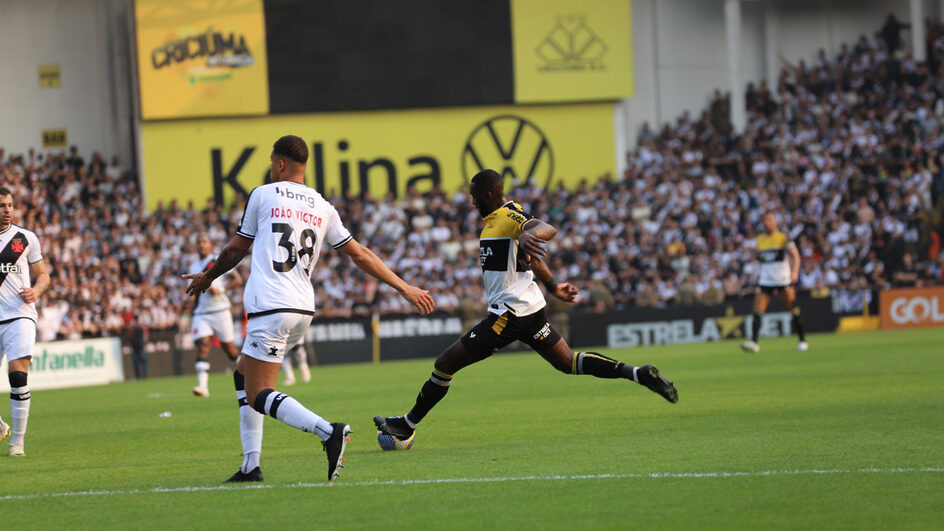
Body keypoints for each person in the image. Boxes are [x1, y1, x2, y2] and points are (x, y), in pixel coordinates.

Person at [183, 135, 434, 483]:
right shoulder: (322, 205)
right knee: (243, 374)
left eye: (272, 162)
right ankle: (250, 466)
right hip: (302, 308)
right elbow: (360, 254)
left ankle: (328, 432)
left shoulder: (263, 194)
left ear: (280, 163)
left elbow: (235, 249)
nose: (271, 168)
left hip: (271, 305)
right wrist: (404, 286)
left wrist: (209, 277)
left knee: (259, 393)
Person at [374, 169, 678, 448]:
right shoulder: (495, 222)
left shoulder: (510, 215)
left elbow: (545, 228)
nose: (471, 199)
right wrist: (553, 285)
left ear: (490, 194)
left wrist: (532, 235)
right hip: (531, 310)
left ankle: (407, 424)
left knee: (444, 364)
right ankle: (638, 374)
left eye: (474, 194)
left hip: (508, 315)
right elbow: (529, 255)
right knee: (568, 362)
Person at [0, 187, 50, 456]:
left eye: (10, 204)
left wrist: (37, 290)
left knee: (18, 374)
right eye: (2, 205)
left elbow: (43, 275)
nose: (8, 209)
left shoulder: (24, 238)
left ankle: (17, 441)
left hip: (19, 314)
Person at [741, 212, 807, 353]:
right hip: (766, 280)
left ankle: (802, 340)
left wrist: (795, 272)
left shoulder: (783, 238)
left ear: (775, 222)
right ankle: (754, 343)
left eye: (770, 220)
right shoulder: (759, 240)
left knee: (793, 309)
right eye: (764, 220)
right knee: (757, 311)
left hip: (782, 279)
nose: (767, 222)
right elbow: (763, 260)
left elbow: (795, 255)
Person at [188, 234, 242, 397]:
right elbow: (192, 290)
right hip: (202, 312)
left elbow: (237, 280)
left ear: (210, 244)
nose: (201, 245)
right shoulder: (193, 266)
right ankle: (203, 386)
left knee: (230, 349)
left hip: (221, 311)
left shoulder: (219, 260)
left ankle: (244, 375)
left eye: (204, 241)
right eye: (198, 242)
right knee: (203, 345)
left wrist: (222, 289)